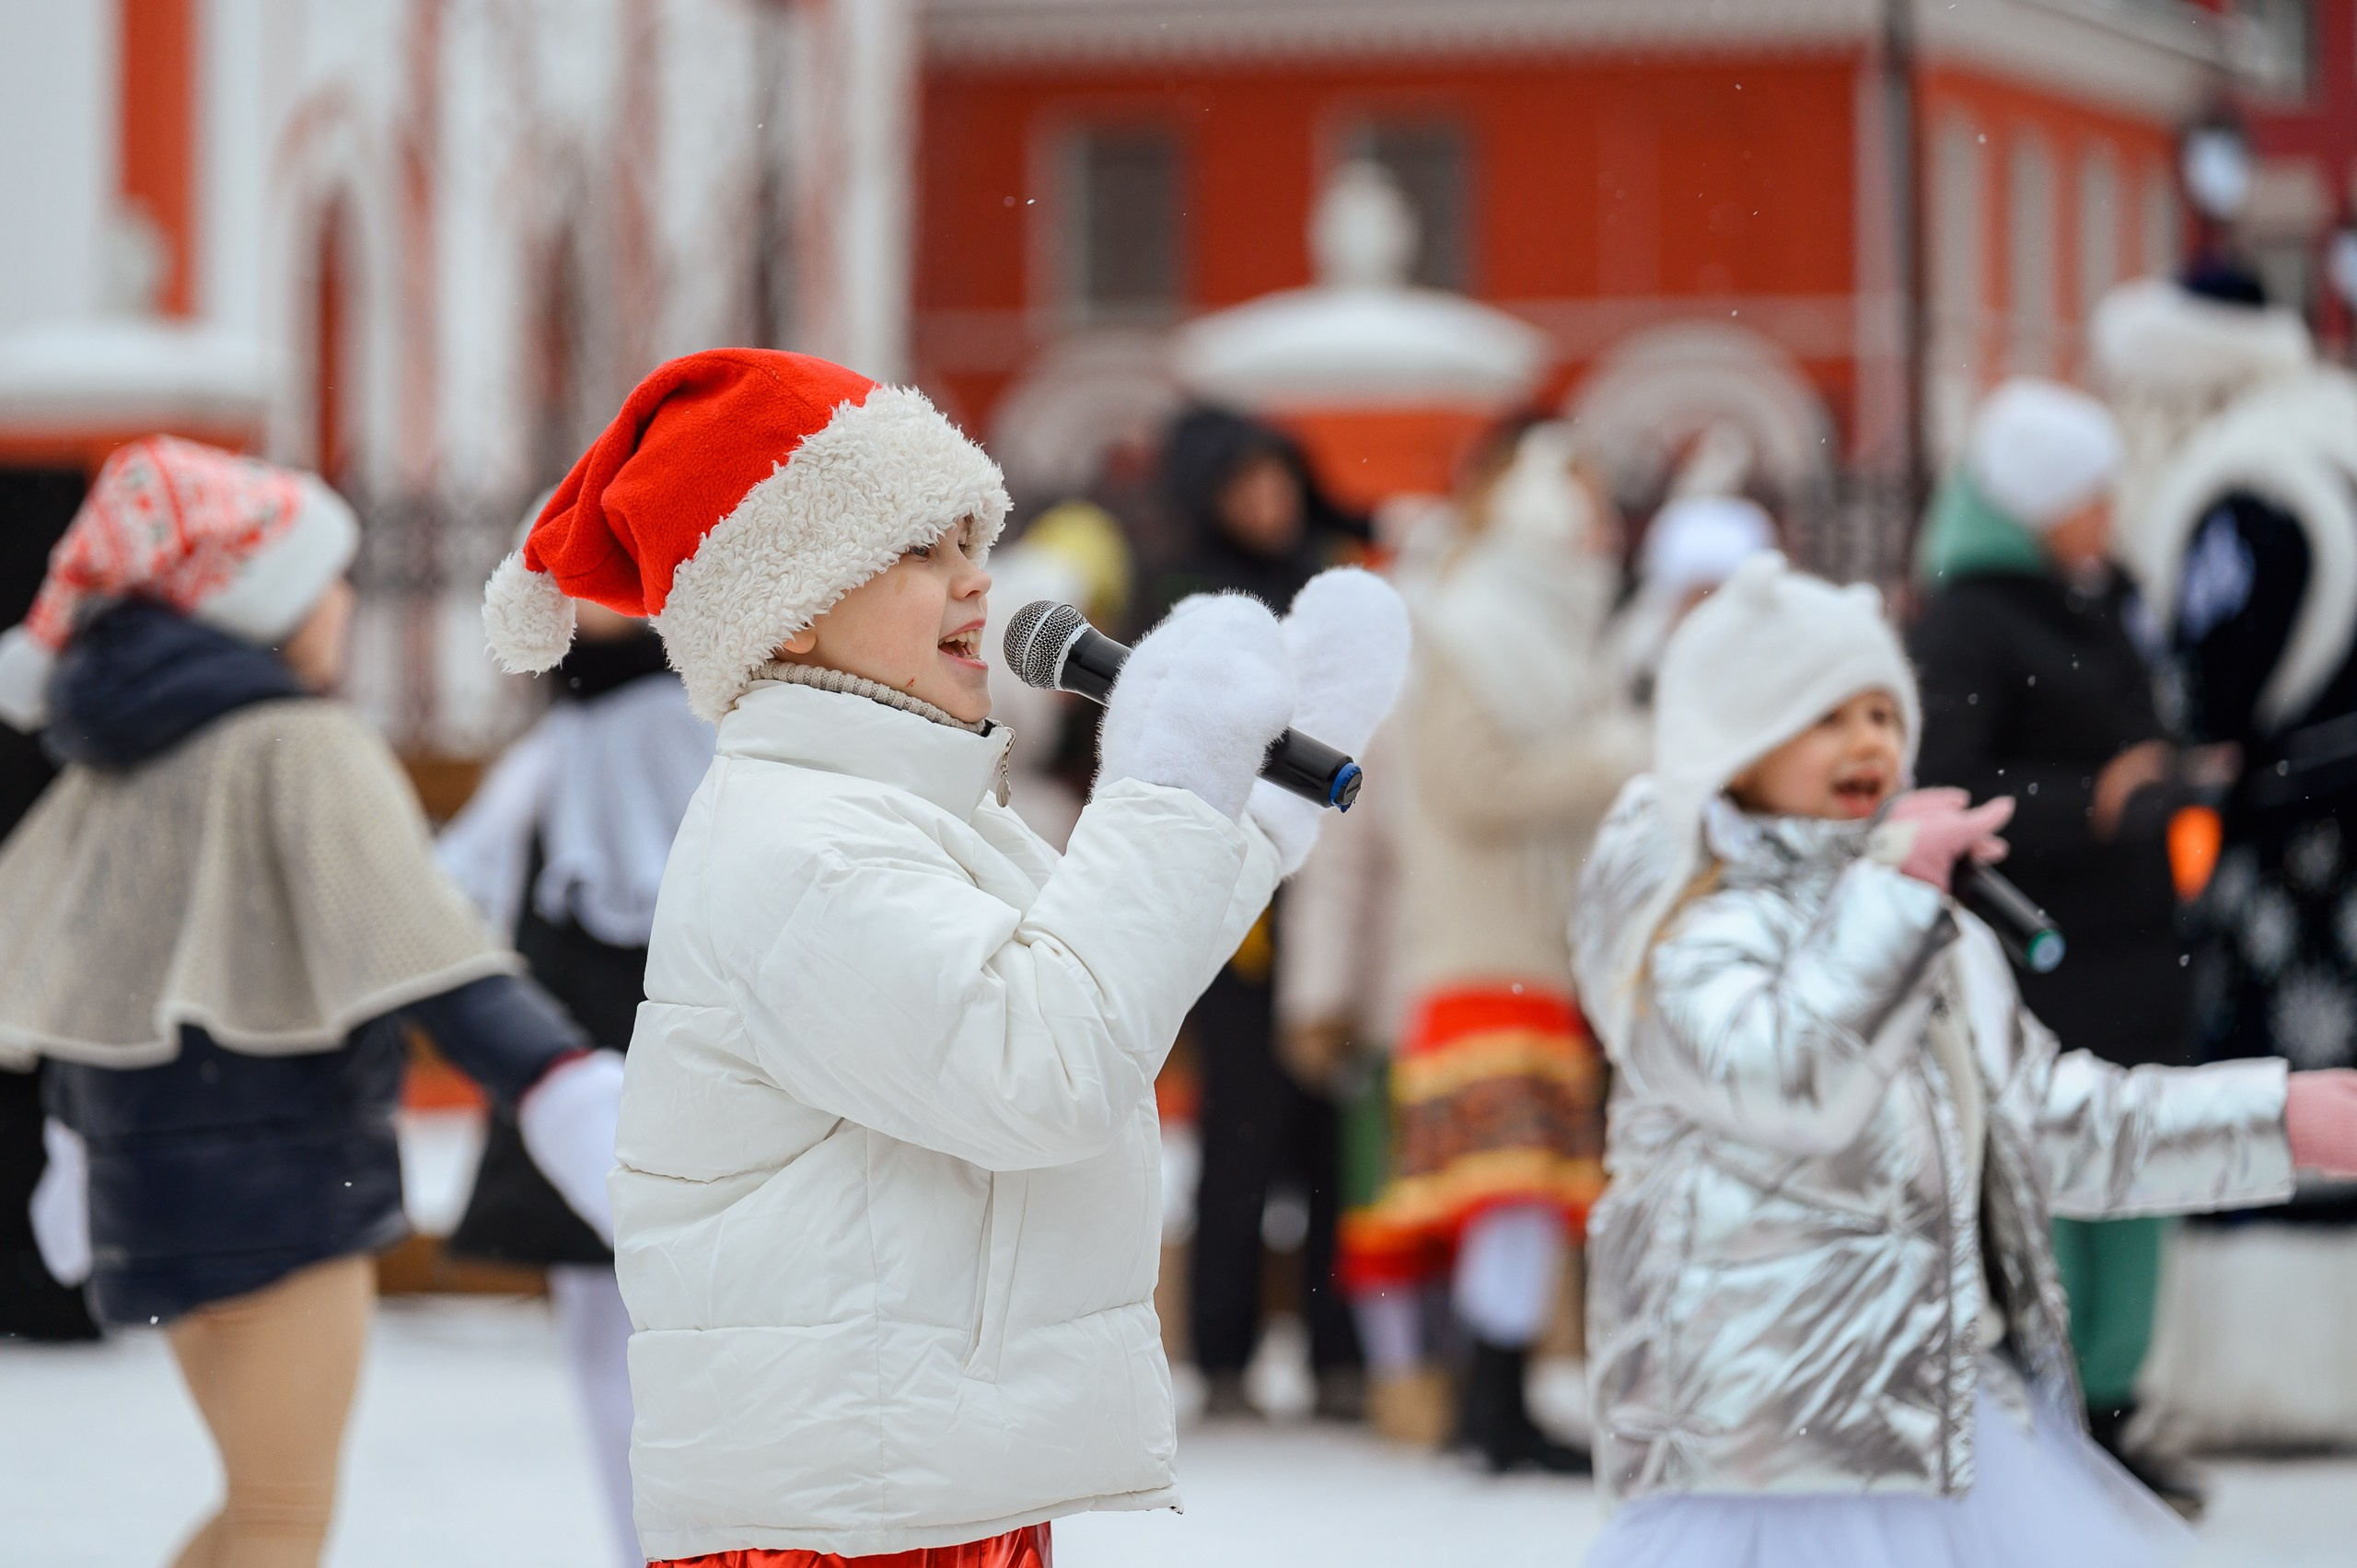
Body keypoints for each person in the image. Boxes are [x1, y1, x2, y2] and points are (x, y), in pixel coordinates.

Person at [477, 348, 1410, 1564]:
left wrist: (1248, 815)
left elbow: (1090, 970)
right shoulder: (800, 844)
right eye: (927, 551)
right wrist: (1166, 787)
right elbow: (1046, 1066)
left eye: (978, 540)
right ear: (791, 601)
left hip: (918, 1483)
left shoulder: (900, 804)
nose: (982, 582)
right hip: (840, 1521)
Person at [1569, 551, 2357, 1568]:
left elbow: (2052, 1124)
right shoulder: (1692, 928)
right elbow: (1787, 1080)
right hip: (1762, 1453)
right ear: (1736, 741)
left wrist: (2279, 1118)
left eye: (1883, 716)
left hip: (1944, 1428)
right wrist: (1895, 902)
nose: (1869, 741)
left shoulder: (1922, 930)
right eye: (1826, 716)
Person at [0, 436, 622, 1568]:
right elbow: (422, 944)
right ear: (256, 598)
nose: (344, 601)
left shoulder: (115, 756)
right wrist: (558, 1076)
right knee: (283, 1515)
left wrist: (73, 1137)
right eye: (325, 576)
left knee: (254, 1502)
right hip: (285, 1193)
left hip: (145, 1194)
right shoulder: (300, 741)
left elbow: (71, 953)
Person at [1907, 377, 2217, 1509]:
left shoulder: (2097, 601)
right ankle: (2060, 1422)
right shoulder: (1967, 620)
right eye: (2090, 493)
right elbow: (1942, 787)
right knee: (2060, 1184)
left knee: (2139, 1175)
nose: (2111, 512)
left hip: (2134, 943)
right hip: (2043, 952)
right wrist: (2087, 800)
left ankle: (2113, 1413)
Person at [1342, 420, 1649, 1472]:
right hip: (1483, 940)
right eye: (1586, 494)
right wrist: (1605, 758)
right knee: (1507, 1182)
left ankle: (1498, 1397)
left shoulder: (1543, 627)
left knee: (1523, 1182)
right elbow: (1474, 787)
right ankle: (1492, 1400)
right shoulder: (1473, 626)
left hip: (1534, 938)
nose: (1602, 520)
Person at [2092, 270, 2357, 1447]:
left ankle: (2284, 1366)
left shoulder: (2247, 481)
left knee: (2276, 1085)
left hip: (2297, 850)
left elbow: (2214, 679)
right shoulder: (2337, 433)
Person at [437, 564, 714, 1567]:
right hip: (579, 1042)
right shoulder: (557, 745)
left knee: (690, 1322)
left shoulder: (697, 726)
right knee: (604, 1326)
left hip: (682, 1040)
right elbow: (457, 881)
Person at [1143, 406, 1370, 1418]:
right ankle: (1225, 1356)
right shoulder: (1181, 591)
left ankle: (1339, 1352)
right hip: (1232, 906)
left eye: (1278, 479)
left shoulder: (1336, 587)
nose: (1266, 503)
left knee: (1332, 1133)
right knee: (1239, 1132)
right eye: (1244, 484)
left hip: (1338, 889)